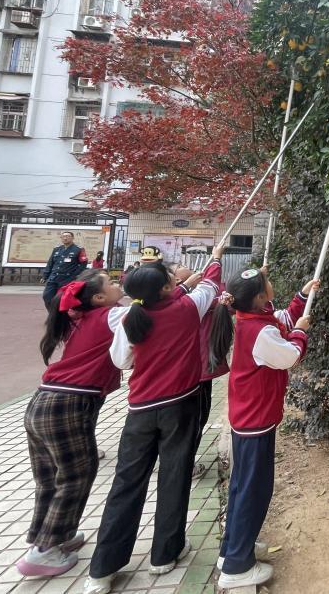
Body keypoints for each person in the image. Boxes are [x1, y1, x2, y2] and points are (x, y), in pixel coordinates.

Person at [82, 246, 223, 594]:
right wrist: (215, 257)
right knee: (175, 476)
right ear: (165, 288)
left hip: (141, 411)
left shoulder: (132, 318)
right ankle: (165, 554)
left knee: (127, 483)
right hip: (181, 405)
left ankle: (102, 570)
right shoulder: (186, 308)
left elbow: (121, 362)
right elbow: (210, 285)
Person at [208, 266, 317, 589]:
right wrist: (301, 331)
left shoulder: (252, 319)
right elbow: (290, 355)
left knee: (243, 486)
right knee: (254, 491)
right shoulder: (259, 332)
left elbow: (280, 317)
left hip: (247, 418)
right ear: (259, 297)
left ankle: (233, 548)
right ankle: (237, 568)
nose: (271, 283)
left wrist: (302, 296)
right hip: (255, 421)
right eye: (267, 282)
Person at [16, 269, 123, 578]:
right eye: (111, 283)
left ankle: (49, 536)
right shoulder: (110, 317)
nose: (118, 283)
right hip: (68, 406)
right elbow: (151, 313)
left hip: (42, 402)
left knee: (49, 479)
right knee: (77, 476)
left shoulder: (77, 317)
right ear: (99, 298)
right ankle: (45, 551)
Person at [172, 262, 227, 477]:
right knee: (194, 419)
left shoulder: (180, 299)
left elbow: (218, 293)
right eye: (180, 266)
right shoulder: (188, 302)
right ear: (176, 281)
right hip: (196, 371)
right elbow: (210, 286)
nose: (188, 266)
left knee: (194, 418)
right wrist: (216, 259)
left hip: (195, 370)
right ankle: (183, 466)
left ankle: (180, 461)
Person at [41, 231, 89, 310]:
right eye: (63, 236)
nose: (65, 238)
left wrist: (74, 276)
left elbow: (83, 264)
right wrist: (45, 276)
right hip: (53, 277)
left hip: (67, 279)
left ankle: (59, 318)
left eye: (68, 236)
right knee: (47, 296)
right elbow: (50, 263)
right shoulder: (57, 249)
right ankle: (53, 315)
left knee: (62, 299)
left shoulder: (78, 249)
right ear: (61, 238)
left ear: (73, 238)